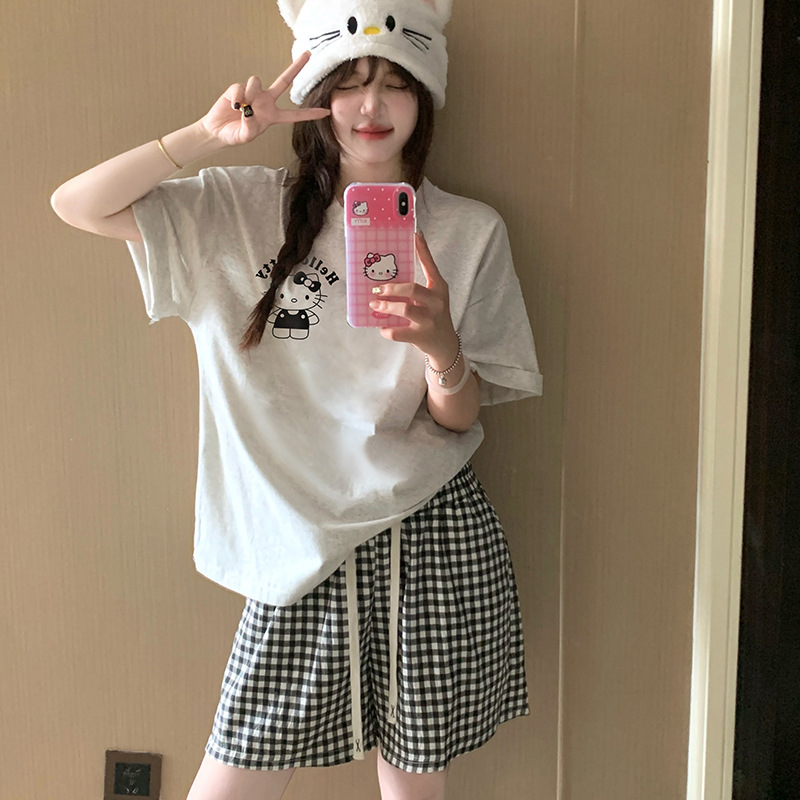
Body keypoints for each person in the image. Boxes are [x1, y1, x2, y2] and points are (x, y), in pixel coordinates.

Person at [51, 2, 543, 798]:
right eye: (347, 81)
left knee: (414, 783)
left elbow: (458, 419)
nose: (372, 105)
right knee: (236, 773)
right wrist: (205, 134)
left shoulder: (467, 231)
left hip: (429, 532)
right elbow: (77, 205)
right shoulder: (237, 209)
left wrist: (442, 347)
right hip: (293, 541)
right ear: (316, 94)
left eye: (397, 82)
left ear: (425, 97)